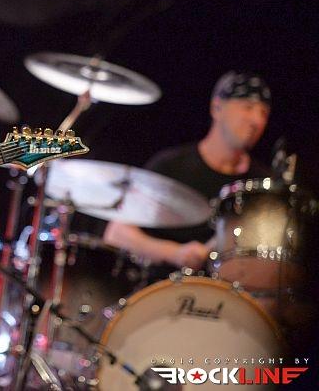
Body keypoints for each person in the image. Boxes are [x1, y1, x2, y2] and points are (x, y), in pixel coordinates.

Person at [104, 71, 272, 272]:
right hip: (162, 284)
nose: (256, 120)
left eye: (264, 113)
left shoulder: (263, 184)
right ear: (217, 107)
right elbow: (116, 233)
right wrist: (174, 253)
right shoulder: (172, 165)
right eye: (248, 107)